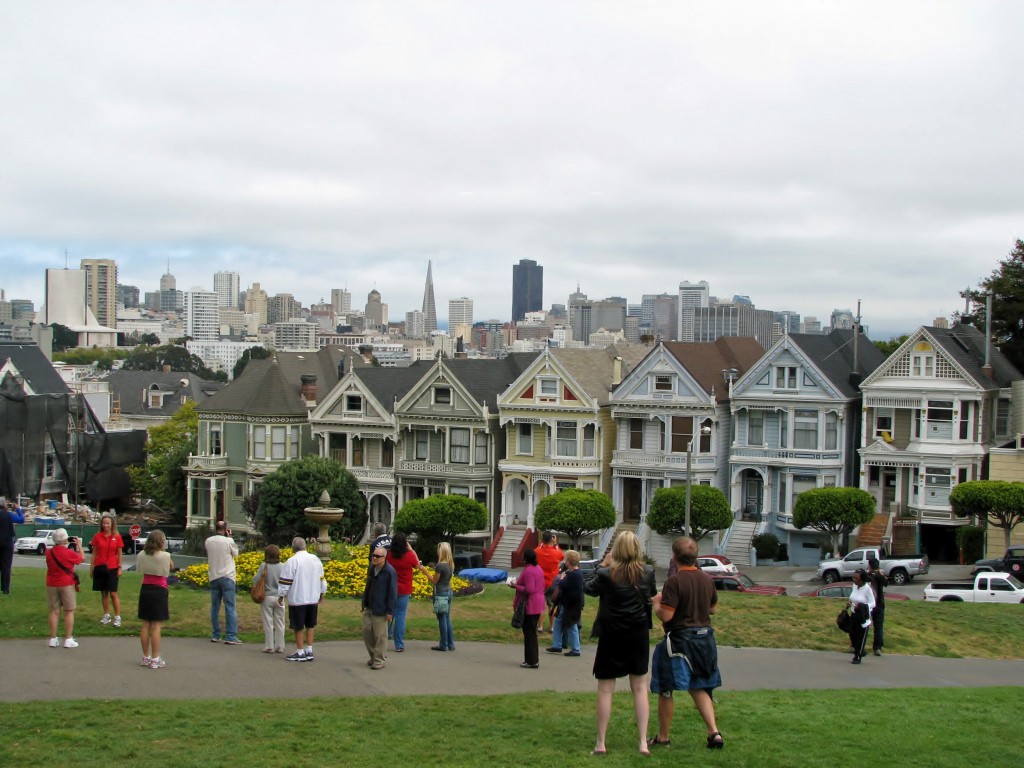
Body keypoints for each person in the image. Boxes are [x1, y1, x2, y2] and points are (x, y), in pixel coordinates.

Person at [583, 531, 657, 756]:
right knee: (640, 687)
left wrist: (601, 565)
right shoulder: (647, 572)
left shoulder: (607, 573)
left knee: (605, 689)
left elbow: (588, 587)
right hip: (637, 633)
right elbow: (651, 595)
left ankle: (600, 743)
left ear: (616, 550)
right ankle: (643, 742)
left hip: (611, 634)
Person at [649, 536, 724, 750]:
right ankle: (714, 732)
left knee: (666, 688)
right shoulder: (706, 579)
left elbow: (666, 616)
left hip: (680, 642)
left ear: (674, 557)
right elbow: (713, 608)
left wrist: (656, 603)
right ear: (695, 557)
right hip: (705, 639)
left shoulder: (675, 581)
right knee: (699, 685)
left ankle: (663, 737)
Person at [277, 537, 327, 662]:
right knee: (310, 624)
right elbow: (322, 578)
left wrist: (281, 595)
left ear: (293, 547)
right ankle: (309, 649)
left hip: (298, 598)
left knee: (298, 626)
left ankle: (300, 651)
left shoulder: (292, 561)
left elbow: (286, 581)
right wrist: (322, 593)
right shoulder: (315, 559)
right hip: (312, 597)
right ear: (305, 546)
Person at [136, 529, 175, 669]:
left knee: (146, 624)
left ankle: (146, 657)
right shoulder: (165, 555)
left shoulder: (142, 554)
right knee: (156, 626)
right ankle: (155, 658)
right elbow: (171, 566)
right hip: (159, 590)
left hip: (145, 589)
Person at [45, 528, 84, 648]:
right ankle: (68, 638)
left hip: (51, 583)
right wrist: (79, 545)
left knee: (54, 611)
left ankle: (53, 638)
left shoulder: (48, 552)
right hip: (66, 583)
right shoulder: (69, 553)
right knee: (68, 611)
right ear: (65, 539)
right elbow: (81, 558)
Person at [205, 520, 240, 644]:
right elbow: (236, 554)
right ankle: (231, 635)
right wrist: (229, 537)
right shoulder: (229, 541)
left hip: (214, 576)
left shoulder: (208, 541)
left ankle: (216, 634)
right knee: (230, 606)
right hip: (227, 575)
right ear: (225, 529)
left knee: (215, 607)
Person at [510, 548, 545, 669]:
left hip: (530, 605)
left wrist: (516, 586)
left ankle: (532, 660)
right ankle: (531, 659)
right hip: (538, 603)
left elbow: (530, 589)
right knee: (531, 633)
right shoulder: (538, 568)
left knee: (529, 634)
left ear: (526, 558)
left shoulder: (529, 571)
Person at [362, 546, 397, 669]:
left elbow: (392, 593)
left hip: (381, 609)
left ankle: (379, 660)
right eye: (373, 555)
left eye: (378, 556)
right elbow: (368, 585)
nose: (374, 558)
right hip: (369, 606)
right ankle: (373, 656)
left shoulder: (389, 571)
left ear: (384, 557)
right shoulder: (371, 568)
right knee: (367, 632)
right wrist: (364, 602)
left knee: (380, 636)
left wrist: (390, 611)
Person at [417, 541, 456, 652]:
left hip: (440, 594)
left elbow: (434, 581)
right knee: (447, 618)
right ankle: (451, 644)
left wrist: (424, 570)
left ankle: (443, 644)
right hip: (448, 591)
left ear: (442, 552)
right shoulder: (450, 564)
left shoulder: (440, 566)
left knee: (442, 619)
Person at [385, 532, 419, 652]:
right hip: (404, 589)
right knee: (400, 616)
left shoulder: (389, 555)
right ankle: (399, 644)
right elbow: (417, 565)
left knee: (389, 614)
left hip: (391, 589)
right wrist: (412, 550)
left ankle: (384, 638)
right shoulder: (409, 555)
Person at [546, 549, 584, 656]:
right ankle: (557, 645)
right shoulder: (573, 573)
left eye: (566, 560)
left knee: (571, 625)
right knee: (558, 621)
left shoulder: (574, 575)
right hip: (567, 603)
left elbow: (563, 585)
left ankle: (576, 649)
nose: (565, 562)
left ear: (569, 561)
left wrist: (562, 579)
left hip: (571, 604)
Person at [89, 514, 124, 627]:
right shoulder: (97, 536)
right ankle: (107, 614)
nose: (105, 525)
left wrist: (120, 567)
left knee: (113, 593)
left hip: (112, 567)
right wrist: (91, 568)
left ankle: (117, 617)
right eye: (104, 523)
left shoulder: (117, 537)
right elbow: (94, 553)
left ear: (112, 524)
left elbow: (119, 553)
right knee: (103, 593)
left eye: (108, 523)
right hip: (100, 566)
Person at [257, 544, 285, 654]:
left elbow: (256, 580)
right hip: (279, 597)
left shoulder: (264, 566)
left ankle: (269, 645)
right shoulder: (283, 566)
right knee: (280, 622)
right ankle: (280, 645)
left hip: (267, 596)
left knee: (268, 622)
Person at [535, 530, 564, 632]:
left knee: (541, 605)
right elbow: (562, 556)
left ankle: (540, 625)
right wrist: (555, 544)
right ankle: (552, 627)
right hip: (552, 582)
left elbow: (537, 549)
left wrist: (543, 543)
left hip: (541, 582)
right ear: (551, 539)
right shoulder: (555, 552)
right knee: (551, 605)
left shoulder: (538, 551)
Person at [848, 568, 875, 665]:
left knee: (861, 637)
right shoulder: (854, 586)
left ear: (862, 580)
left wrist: (863, 606)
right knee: (852, 634)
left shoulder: (867, 589)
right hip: (853, 613)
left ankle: (858, 656)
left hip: (863, 616)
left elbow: (873, 603)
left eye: (856, 578)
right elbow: (853, 597)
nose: (853, 579)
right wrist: (850, 602)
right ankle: (860, 651)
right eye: (853, 577)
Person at [0, 500, 25, 594]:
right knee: (6, 566)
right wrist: (18, 509)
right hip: (7, 541)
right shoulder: (8, 514)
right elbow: (21, 520)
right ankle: (5, 589)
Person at [867, 557, 888, 656]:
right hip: (879, 604)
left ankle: (856, 645)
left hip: (869, 604)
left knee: (863, 624)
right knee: (878, 627)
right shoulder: (880, 576)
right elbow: (886, 583)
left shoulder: (869, 576)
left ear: (870, 566)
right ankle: (877, 648)